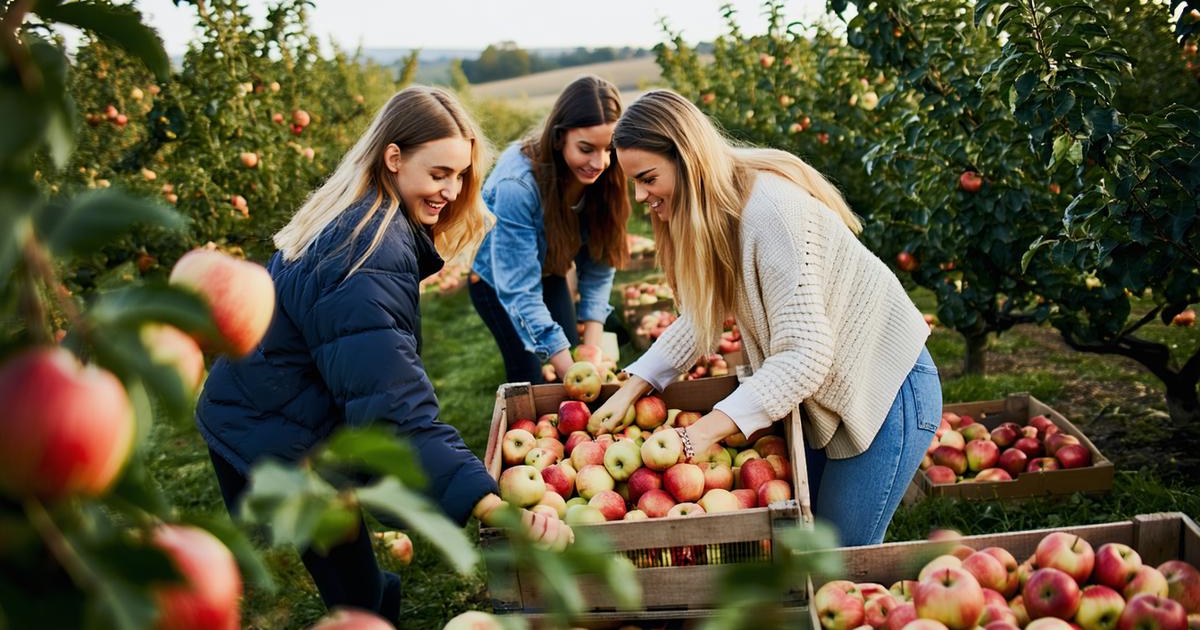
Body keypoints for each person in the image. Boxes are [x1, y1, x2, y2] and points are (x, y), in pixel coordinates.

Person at [195, 86, 571, 622]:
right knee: (350, 585)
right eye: (438, 172)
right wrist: (492, 505)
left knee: (354, 578)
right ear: (393, 158)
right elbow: (395, 414)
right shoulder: (366, 256)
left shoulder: (365, 219)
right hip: (269, 428)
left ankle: (376, 602)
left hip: (277, 408)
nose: (452, 189)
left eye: (460, 174)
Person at [591, 89, 941, 546]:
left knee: (839, 561)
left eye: (649, 178)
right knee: (804, 547)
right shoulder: (722, 209)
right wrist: (637, 384)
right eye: (633, 182)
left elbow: (806, 356)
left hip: (886, 388)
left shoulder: (771, 213)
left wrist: (698, 435)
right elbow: (704, 312)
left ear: (688, 158)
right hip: (830, 394)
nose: (641, 196)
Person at [470, 75, 629, 383]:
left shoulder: (605, 175)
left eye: (609, 149)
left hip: (550, 269)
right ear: (559, 138)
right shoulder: (517, 186)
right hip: (498, 281)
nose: (600, 162)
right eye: (586, 149)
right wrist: (571, 373)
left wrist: (591, 350)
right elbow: (518, 289)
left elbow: (600, 259)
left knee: (566, 360)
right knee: (534, 376)